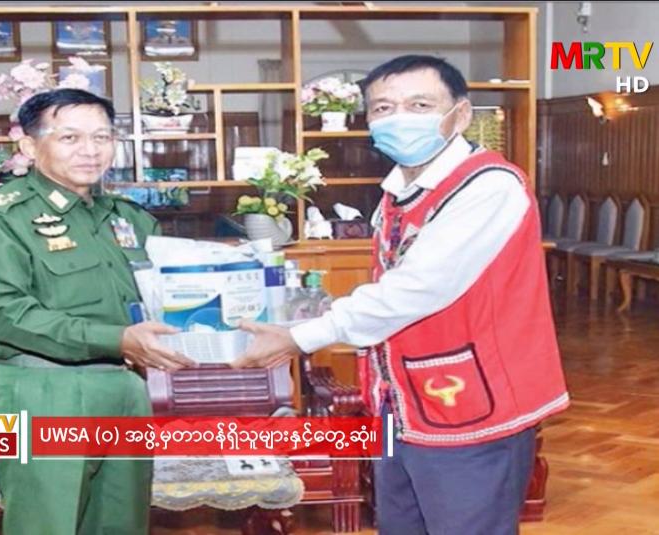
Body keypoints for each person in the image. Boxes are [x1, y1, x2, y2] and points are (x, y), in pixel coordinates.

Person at [233, 55, 569, 534]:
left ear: (461, 114)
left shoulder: (488, 186)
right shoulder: (397, 191)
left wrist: (299, 337)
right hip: (401, 401)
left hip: (471, 403)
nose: (399, 118)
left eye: (420, 105)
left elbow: (416, 289)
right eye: (383, 108)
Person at [0, 88, 195, 535]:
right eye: (70, 137)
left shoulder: (130, 218)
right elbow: (4, 314)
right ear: (29, 146)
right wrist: (116, 339)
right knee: (44, 525)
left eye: (102, 137)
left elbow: (165, 296)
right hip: (35, 391)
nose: (90, 150)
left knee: (124, 524)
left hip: (126, 388)